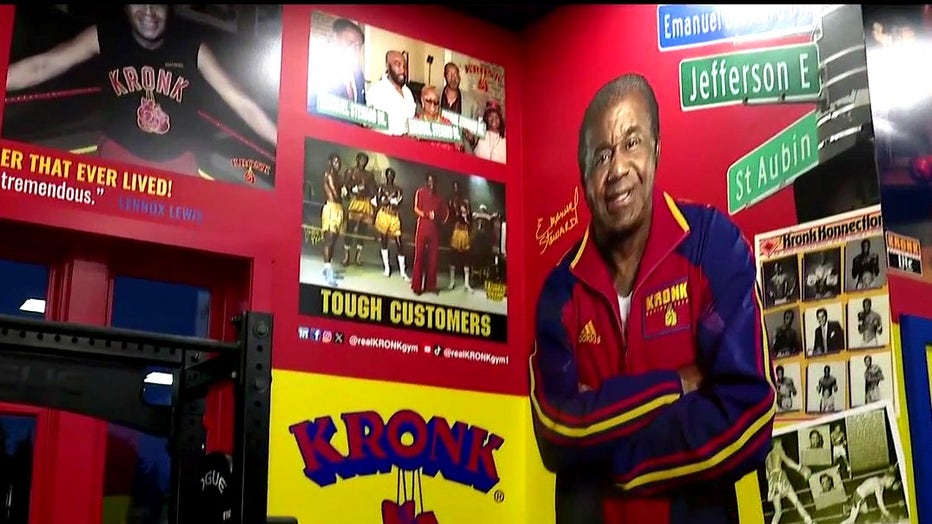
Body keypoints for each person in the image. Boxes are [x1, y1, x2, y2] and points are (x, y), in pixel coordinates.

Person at [529, 74, 776, 524]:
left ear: (657, 148)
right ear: (584, 177)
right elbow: (556, 432)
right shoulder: (560, 291)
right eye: (601, 156)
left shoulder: (713, 245)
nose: (617, 169)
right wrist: (676, 386)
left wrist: (622, 464)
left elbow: (749, 414)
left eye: (632, 143)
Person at [6, 4, 278, 177]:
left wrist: (287, 146)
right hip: (119, 155)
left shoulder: (191, 46)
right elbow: (43, 65)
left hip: (176, 164)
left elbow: (242, 103)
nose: (148, 11)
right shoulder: (106, 35)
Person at [308, 17, 366, 108]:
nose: (353, 49)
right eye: (349, 42)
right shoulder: (317, 68)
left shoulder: (359, 75)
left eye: (357, 46)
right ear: (335, 38)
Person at [411, 173, 448, 295]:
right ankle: (417, 286)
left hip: (434, 230)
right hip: (422, 227)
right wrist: (427, 214)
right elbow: (416, 208)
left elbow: (445, 214)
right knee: (419, 256)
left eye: (433, 181)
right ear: (426, 181)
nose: (431, 184)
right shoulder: (420, 192)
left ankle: (430, 286)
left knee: (433, 259)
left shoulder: (440, 197)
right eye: (429, 181)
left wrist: (438, 219)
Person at [366, 50, 417, 136]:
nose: (402, 70)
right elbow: (371, 126)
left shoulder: (408, 92)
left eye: (404, 66)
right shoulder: (376, 90)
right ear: (387, 66)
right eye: (398, 64)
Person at [765, 439, 814, 524]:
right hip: (781, 479)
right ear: (777, 444)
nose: (781, 446)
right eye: (780, 444)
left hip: (772, 483)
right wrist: (800, 468)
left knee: (778, 511)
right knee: (796, 501)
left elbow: (767, 476)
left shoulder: (767, 457)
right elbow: (788, 462)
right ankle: (809, 521)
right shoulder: (778, 450)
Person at [342, 153, 377, 267]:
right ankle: (346, 256)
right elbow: (345, 188)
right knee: (350, 229)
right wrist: (353, 190)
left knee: (362, 231)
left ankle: (358, 257)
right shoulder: (350, 171)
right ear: (357, 160)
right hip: (355, 202)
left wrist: (367, 190)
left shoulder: (369, 175)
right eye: (361, 160)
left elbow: (373, 190)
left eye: (365, 160)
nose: (363, 162)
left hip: (366, 203)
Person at [374, 168, 409, 280]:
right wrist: (389, 201)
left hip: (394, 216)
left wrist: (393, 201)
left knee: (399, 242)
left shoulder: (398, 189)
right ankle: (387, 268)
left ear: (394, 177)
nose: (390, 177)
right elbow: (379, 201)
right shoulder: (381, 187)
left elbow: (400, 202)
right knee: (384, 241)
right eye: (388, 175)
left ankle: (403, 271)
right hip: (384, 214)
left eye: (392, 175)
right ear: (386, 176)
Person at [414, 85, 463, 152]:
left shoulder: (447, 124)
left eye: (435, 102)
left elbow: (458, 147)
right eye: (429, 101)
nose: (432, 105)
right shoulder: (415, 123)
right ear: (422, 101)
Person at [320, 153, 344, 287]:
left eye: (339, 162)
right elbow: (335, 194)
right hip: (331, 208)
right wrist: (343, 192)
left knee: (333, 240)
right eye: (335, 162)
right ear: (330, 162)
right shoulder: (329, 175)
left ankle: (327, 269)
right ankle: (328, 273)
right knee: (329, 240)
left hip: (338, 208)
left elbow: (343, 196)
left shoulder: (339, 177)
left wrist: (345, 191)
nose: (338, 164)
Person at [447, 180, 473, 290]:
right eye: (454, 187)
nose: (456, 189)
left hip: (465, 234)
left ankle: (467, 283)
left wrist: (466, 216)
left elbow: (470, 223)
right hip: (456, 233)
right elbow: (450, 218)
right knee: (453, 258)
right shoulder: (451, 202)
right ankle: (452, 282)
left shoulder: (466, 204)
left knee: (466, 259)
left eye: (457, 187)